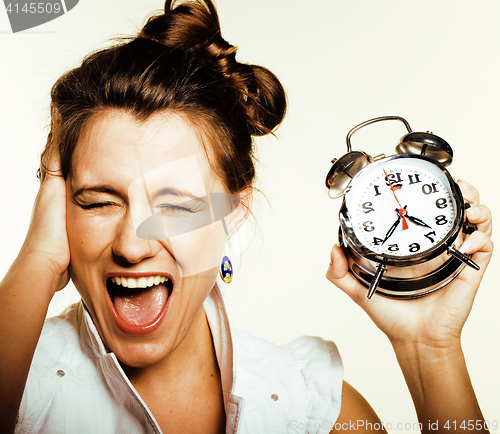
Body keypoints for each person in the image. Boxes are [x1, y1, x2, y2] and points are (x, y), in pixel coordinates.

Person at [0, 0, 493, 433]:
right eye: (98, 201)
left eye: (175, 205)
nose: (133, 244)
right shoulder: (22, 382)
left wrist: (430, 349)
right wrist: (38, 260)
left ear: (234, 212)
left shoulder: (313, 409)